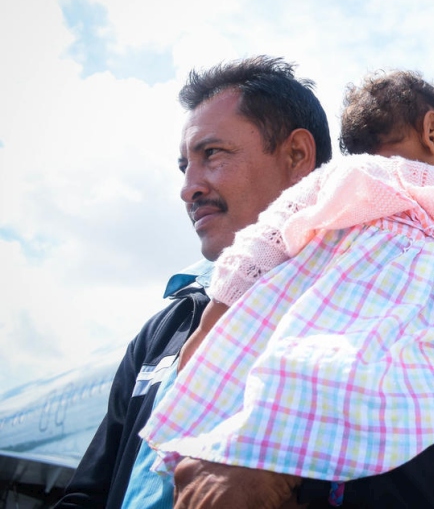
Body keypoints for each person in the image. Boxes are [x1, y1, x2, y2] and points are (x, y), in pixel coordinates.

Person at [142, 70, 434, 508]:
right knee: (385, 404)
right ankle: (277, 471)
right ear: (432, 130)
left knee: (287, 388)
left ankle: (251, 461)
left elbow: (261, 243)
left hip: (321, 332)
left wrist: (213, 320)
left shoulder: (341, 180)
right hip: (411, 343)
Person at [56, 56, 334, 509]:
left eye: (213, 154)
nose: (189, 187)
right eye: (184, 166)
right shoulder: (165, 327)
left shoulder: (372, 307)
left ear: (297, 157)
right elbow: (88, 495)